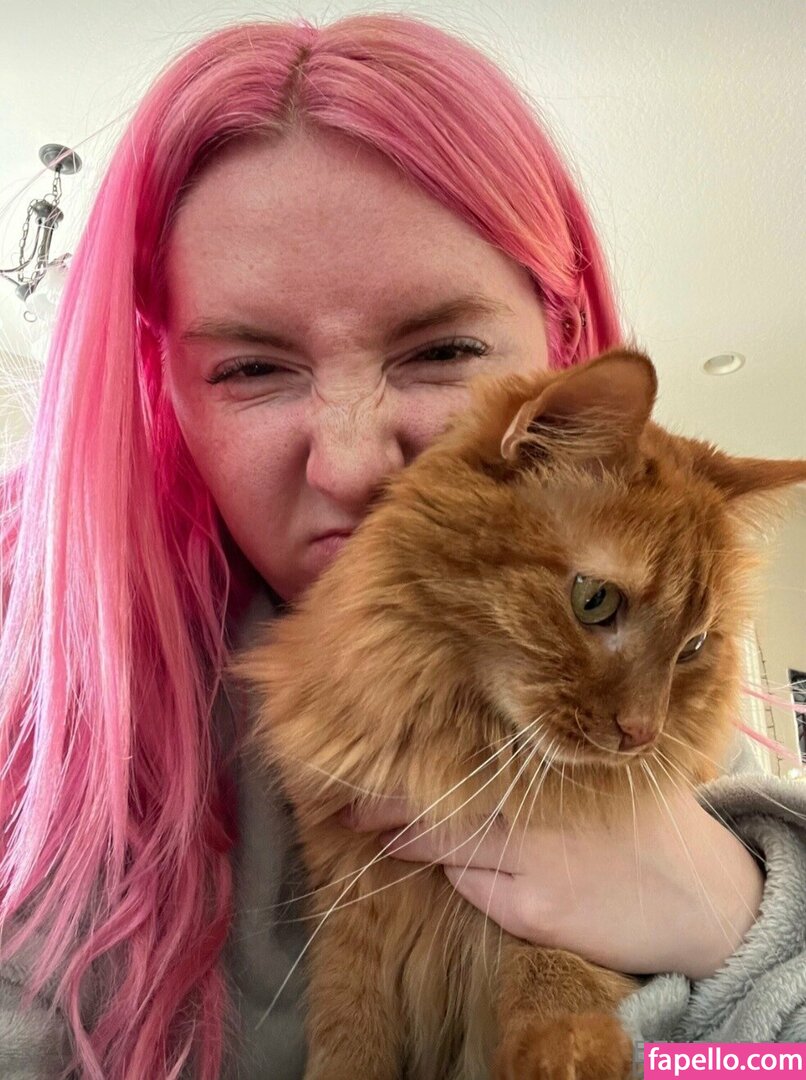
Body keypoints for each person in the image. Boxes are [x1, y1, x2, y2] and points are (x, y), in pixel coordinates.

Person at [1, 14, 804, 1080]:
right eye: (252, 369)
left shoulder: (659, 714)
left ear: (560, 349)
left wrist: (736, 917)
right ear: (165, 392)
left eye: (442, 350)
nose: (350, 467)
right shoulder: (27, 679)